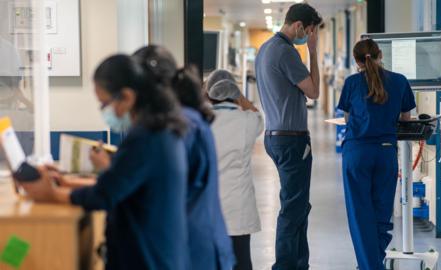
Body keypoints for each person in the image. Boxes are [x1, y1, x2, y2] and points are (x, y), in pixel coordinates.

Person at [20, 55, 190, 270]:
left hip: (147, 257)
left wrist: (51, 195)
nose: (104, 112)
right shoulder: (161, 130)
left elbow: (104, 195)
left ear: (127, 97)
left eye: (104, 103)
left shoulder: (145, 138)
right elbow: (119, 183)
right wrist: (64, 182)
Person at [132, 45, 236, 270]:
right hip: (203, 242)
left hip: (192, 248)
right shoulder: (190, 118)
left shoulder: (179, 127)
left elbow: (163, 188)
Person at [337, 39, 416, 270]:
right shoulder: (399, 81)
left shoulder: (351, 83)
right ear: (380, 54)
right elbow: (406, 119)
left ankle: (371, 266)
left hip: (357, 154)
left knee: (360, 215)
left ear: (356, 60)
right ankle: (371, 264)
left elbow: (348, 119)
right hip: (385, 153)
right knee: (381, 215)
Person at [255, 3, 323, 269]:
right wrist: (313, 51)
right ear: (298, 27)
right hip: (291, 140)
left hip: (275, 135)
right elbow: (314, 91)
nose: (310, 37)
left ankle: (298, 264)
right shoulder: (286, 52)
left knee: (297, 207)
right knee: (293, 209)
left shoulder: (265, 49)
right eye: (310, 32)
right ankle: (284, 265)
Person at [206, 70, 263, 270]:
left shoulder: (202, 123)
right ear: (236, 96)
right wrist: (243, 98)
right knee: (241, 259)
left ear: (209, 95)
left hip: (209, 205)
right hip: (238, 206)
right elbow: (257, 115)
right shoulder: (247, 121)